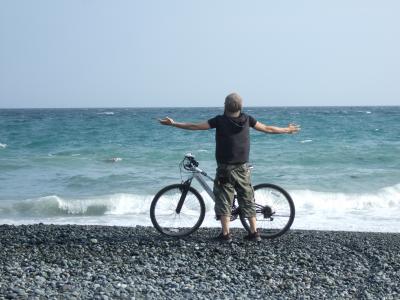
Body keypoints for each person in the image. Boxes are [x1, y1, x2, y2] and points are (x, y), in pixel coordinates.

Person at [159, 93, 300, 242]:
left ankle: (225, 235)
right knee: (247, 199)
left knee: (223, 199)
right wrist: (287, 130)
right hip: (243, 167)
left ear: (225, 106)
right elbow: (267, 128)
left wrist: (173, 123)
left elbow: (195, 126)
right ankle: (254, 233)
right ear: (241, 106)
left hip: (225, 168)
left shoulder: (219, 121)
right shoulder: (247, 119)